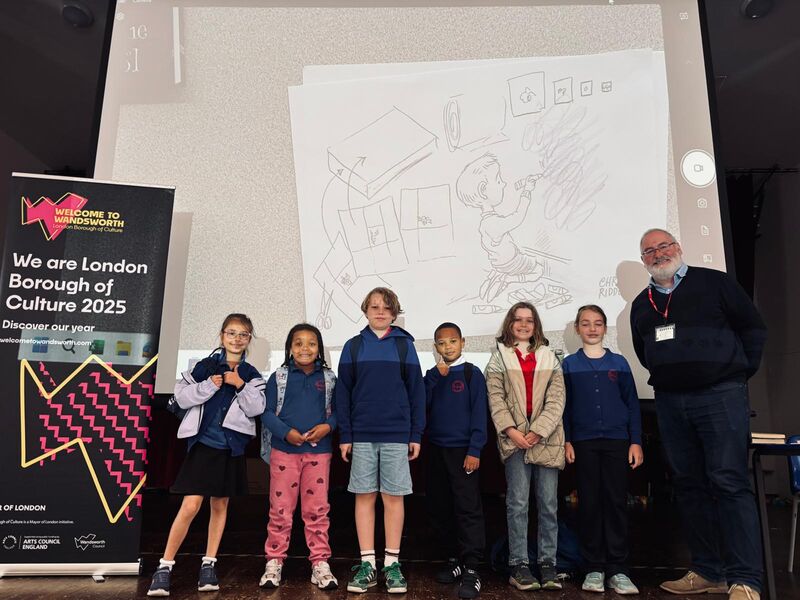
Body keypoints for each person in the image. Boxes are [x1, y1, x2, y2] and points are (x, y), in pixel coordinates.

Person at [630, 228, 767, 600]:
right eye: (649, 251)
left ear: (678, 247)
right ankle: (708, 571)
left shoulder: (715, 283)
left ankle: (745, 579)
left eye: (663, 246)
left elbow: (753, 328)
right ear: (643, 260)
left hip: (720, 395)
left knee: (729, 482)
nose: (658, 254)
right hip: (671, 401)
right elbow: (645, 352)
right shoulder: (642, 304)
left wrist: (736, 372)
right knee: (689, 486)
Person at [147, 314, 266, 597]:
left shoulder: (251, 375)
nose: (237, 339)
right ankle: (164, 567)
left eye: (243, 334)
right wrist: (208, 386)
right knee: (190, 506)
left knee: (220, 506)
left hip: (231, 448)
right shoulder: (205, 366)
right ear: (222, 335)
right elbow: (181, 398)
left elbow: (257, 409)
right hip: (203, 446)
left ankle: (209, 564)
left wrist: (239, 384)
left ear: (250, 339)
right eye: (231, 333)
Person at [336, 287, 426, 594]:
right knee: (364, 496)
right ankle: (368, 565)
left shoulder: (404, 347)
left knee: (393, 497)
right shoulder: (353, 346)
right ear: (365, 310)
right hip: (361, 435)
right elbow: (343, 394)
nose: (380, 312)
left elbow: (417, 393)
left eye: (387, 308)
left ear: (395, 312)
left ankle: (391, 564)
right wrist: (346, 435)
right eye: (374, 307)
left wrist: (415, 434)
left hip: (396, 435)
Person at [562, 304, 643, 595]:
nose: (592, 329)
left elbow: (632, 404)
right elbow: (565, 407)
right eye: (586, 324)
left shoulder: (619, 363)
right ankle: (594, 568)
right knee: (590, 504)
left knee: (616, 503)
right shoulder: (569, 365)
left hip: (617, 442)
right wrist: (568, 440)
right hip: (583, 443)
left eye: (597, 323)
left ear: (605, 329)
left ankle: (618, 570)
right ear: (577, 329)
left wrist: (636, 441)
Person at [485, 301, 565, 591]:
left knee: (548, 505)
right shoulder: (498, 359)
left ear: (536, 325)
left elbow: (557, 401)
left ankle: (548, 564)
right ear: (509, 323)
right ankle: (519, 564)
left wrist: (538, 432)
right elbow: (496, 399)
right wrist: (513, 432)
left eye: (529, 320)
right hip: (514, 441)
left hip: (547, 440)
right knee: (517, 504)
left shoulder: (550, 357)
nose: (523, 324)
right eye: (518, 320)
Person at [258, 323, 338, 591]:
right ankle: (274, 561)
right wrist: (286, 433)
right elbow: (267, 413)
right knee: (280, 511)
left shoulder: (329, 378)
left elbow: (339, 412)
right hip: (285, 453)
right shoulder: (279, 377)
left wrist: (328, 427)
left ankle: (319, 562)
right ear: (290, 348)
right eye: (299, 343)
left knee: (316, 511)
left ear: (319, 348)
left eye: (311, 343)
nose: (305, 348)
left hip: (319, 454)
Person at [424, 322, 488, 599]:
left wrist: (475, 450)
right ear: (435, 346)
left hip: (463, 452)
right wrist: (436, 378)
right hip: (435, 449)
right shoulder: (430, 375)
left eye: (452, 341)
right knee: (441, 506)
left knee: (467, 507)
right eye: (441, 342)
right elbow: (421, 404)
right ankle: (454, 560)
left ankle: (472, 566)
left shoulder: (473, 375)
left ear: (463, 342)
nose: (447, 347)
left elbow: (479, 415)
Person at [455, 153, 544, 302]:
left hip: (500, 264)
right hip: (512, 263)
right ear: (483, 190)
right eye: (498, 180)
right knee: (539, 268)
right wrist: (527, 192)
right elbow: (517, 217)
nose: (503, 184)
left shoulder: (486, 222)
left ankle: (497, 276)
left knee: (529, 258)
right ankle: (509, 279)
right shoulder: (492, 223)